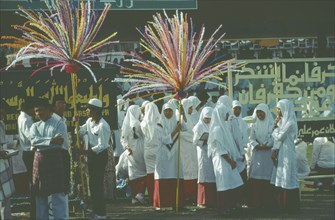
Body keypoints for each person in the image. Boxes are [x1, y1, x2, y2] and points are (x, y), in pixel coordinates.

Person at [29, 98, 69, 220]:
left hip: (55, 159)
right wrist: (51, 140)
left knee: (58, 194)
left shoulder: (59, 123)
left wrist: (42, 143)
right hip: (40, 162)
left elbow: (60, 141)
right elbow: (33, 141)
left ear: (48, 110)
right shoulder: (35, 126)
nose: (38, 113)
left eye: (41, 110)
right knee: (40, 195)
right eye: (36, 111)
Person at [77, 98, 111, 219]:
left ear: (95, 111)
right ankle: (96, 210)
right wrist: (76, 124)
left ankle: (101, 213)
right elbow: (81, 132)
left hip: (99, 156)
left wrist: (86, 152)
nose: (86, 111)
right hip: (91, 155)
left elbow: (102, 145)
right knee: (92, 184)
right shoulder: (89, 121)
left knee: (97, 184)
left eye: (89, 109)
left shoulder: (103, 125)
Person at [208, 105, 243, 215]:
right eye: (226, 113)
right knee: (224, 183)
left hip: (227, 160)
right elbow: (219, 149)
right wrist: (230, 161)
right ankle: (222, 208)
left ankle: (229, 206)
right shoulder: (217, 129)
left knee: (232, 182)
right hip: (222, 160)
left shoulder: (223, 127)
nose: (228, 115)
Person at [153, 102, 184, 210]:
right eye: (166, 110)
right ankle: (163, 203)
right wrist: (175, 131)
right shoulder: (159, 124)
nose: (168, 112)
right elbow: (164, 139)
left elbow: (187, 127)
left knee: (175, 175)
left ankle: (175, 203)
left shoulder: (177, 121)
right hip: (163, 154)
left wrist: (183, 112)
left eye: (170, 110)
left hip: (175, 154)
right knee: (164, 175)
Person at [271, 99, 300, 213]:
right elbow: (277, 139)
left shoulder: (290, 122)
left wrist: (274, 129)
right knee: (282, 176)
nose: (278, 112)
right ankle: (281, 205)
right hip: (282, 152)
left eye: (279, 109)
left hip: (288, 153)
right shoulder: (282, 122)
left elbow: (279, 136)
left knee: (288, 176)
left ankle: (290, 207)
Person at [248, 103, 275, 210]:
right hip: (258, 154)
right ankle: (256, 202)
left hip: (268, 154)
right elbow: (251, 138)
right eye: (258, 112)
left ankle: (268, 203)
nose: (259, 114)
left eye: (261, 112)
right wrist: (258, 145)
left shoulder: (271, 124)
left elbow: (274, 137)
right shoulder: (254, 125)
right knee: (256, 176)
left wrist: (267, 145)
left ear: (266, 112)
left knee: (268, 176)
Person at [121, 105, 146, 205]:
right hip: (134, 151)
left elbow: (123, 139)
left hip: (137, 150)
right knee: (134, 173)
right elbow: (124, 139)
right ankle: (136, 195)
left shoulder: (128, 124)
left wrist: (126, 147)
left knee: (140, 172)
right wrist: (127, 147)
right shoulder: (135, 124)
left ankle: (139, 194)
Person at [192, 107, 216, 208]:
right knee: (203, 175)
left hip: (212, 153)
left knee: (212, 175)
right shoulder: (199, 126)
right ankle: (202, 201)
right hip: (203, 152)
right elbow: (195, 141)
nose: (208, 120)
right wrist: (204, 141)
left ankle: (212, 200)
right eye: (206, 118)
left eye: (210, 118)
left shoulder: (213, 125)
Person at [17, 97, 36, 219]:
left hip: (26, 153)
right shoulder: (27, 119)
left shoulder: (20, 117)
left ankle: (35, 210)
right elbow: (32, 138)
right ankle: (35, 211)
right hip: (30, 153)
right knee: (34, 184)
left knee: (33, 182)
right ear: (29, 109)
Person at [140, 102, 160, 204]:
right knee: (159, 173)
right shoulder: (159, 122)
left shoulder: (143, 123)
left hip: (147, 150)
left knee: (149, 173)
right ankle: (158, 196)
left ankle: (152, 196)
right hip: (157, 149)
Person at [180, 98, 198, 204]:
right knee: (186, 169)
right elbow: (181, 133)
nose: (191, 110)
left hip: (192, 148)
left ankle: (193, 194)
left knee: (193, 169)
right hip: (185, 148)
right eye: (190, 108)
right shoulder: (181, 119)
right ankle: (187, 194)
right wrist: (191, 136)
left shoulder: (190, 118)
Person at [0, 99, 15, 220]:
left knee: (6, 197)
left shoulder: (2, 124)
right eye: (2, 112)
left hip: (3, 164)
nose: (3, 115)